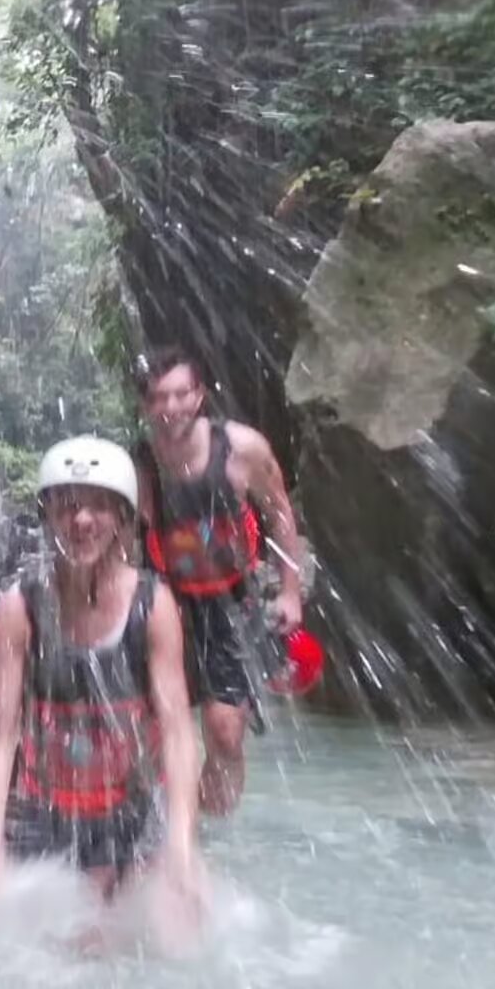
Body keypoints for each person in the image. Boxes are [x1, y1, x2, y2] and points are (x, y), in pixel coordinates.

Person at [0, 437, 203, 916]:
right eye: (66, 506)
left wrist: (182, 845)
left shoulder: (153, 607)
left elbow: (178, 734)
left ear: (121, 519)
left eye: (98, 507)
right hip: (42, 814)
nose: (81, 521)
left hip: (131, 814)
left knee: (176, 931)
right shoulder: (20, 608)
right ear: (47, 516)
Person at [134, 347, 305, 816]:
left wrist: (290, 590)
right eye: (158, 398)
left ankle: (215, 829)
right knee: (147, 723)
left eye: (181, 395)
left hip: (231, 602)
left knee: (226, 733)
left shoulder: (242, 449)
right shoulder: (140, 463)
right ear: (145, 405)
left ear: (201, 395)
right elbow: (122, 540)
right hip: (166, 601)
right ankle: (155, 824)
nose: (170, 408)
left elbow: (279, 514)